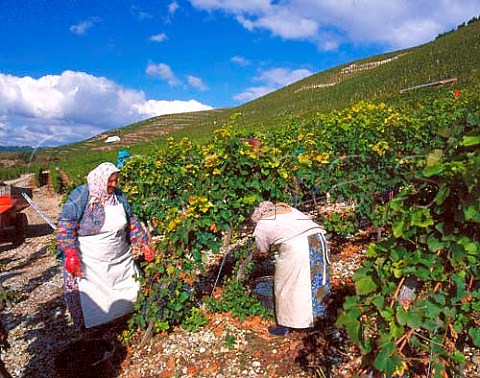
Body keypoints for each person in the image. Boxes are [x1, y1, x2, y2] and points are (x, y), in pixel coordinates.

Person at [57, 162, 154, 330]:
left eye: (116, 181)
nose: (114, 185)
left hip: (119, 257)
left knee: (129, 288)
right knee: (90, 297)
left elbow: (131, 220)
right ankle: (94, 330)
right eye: (110, 181)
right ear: (100, 180)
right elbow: (66, 225)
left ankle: (127, 319)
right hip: (90, 260)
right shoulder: (80, 196)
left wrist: (143, 242)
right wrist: (70, 254)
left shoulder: (119, 196)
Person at [251, 201, 330, 336]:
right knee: (317, 280)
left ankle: (287, 324)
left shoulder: (261, 226)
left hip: (297, 248)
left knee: (287, 285)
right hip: (318, 240)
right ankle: (320, 320)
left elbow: (263, 251)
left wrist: (255, 255)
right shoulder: (288, 210)